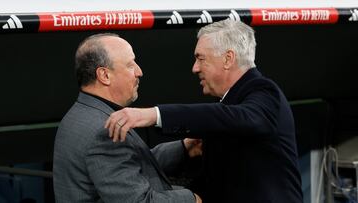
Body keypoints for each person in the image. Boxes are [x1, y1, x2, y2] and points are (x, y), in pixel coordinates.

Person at [105, 19, 303, 203]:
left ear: (228, 59)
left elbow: (235, 118)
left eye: (200, 58)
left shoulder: (264, 92)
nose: (194, 68)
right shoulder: (229, 104)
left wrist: (154, 115)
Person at [53, 33, 202, 203]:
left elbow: (128, 164)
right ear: (104, 75)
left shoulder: (81, 114)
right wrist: (192, 198)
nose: (139, 72)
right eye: (131, 65)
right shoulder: (104, 130)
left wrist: (184, 148)